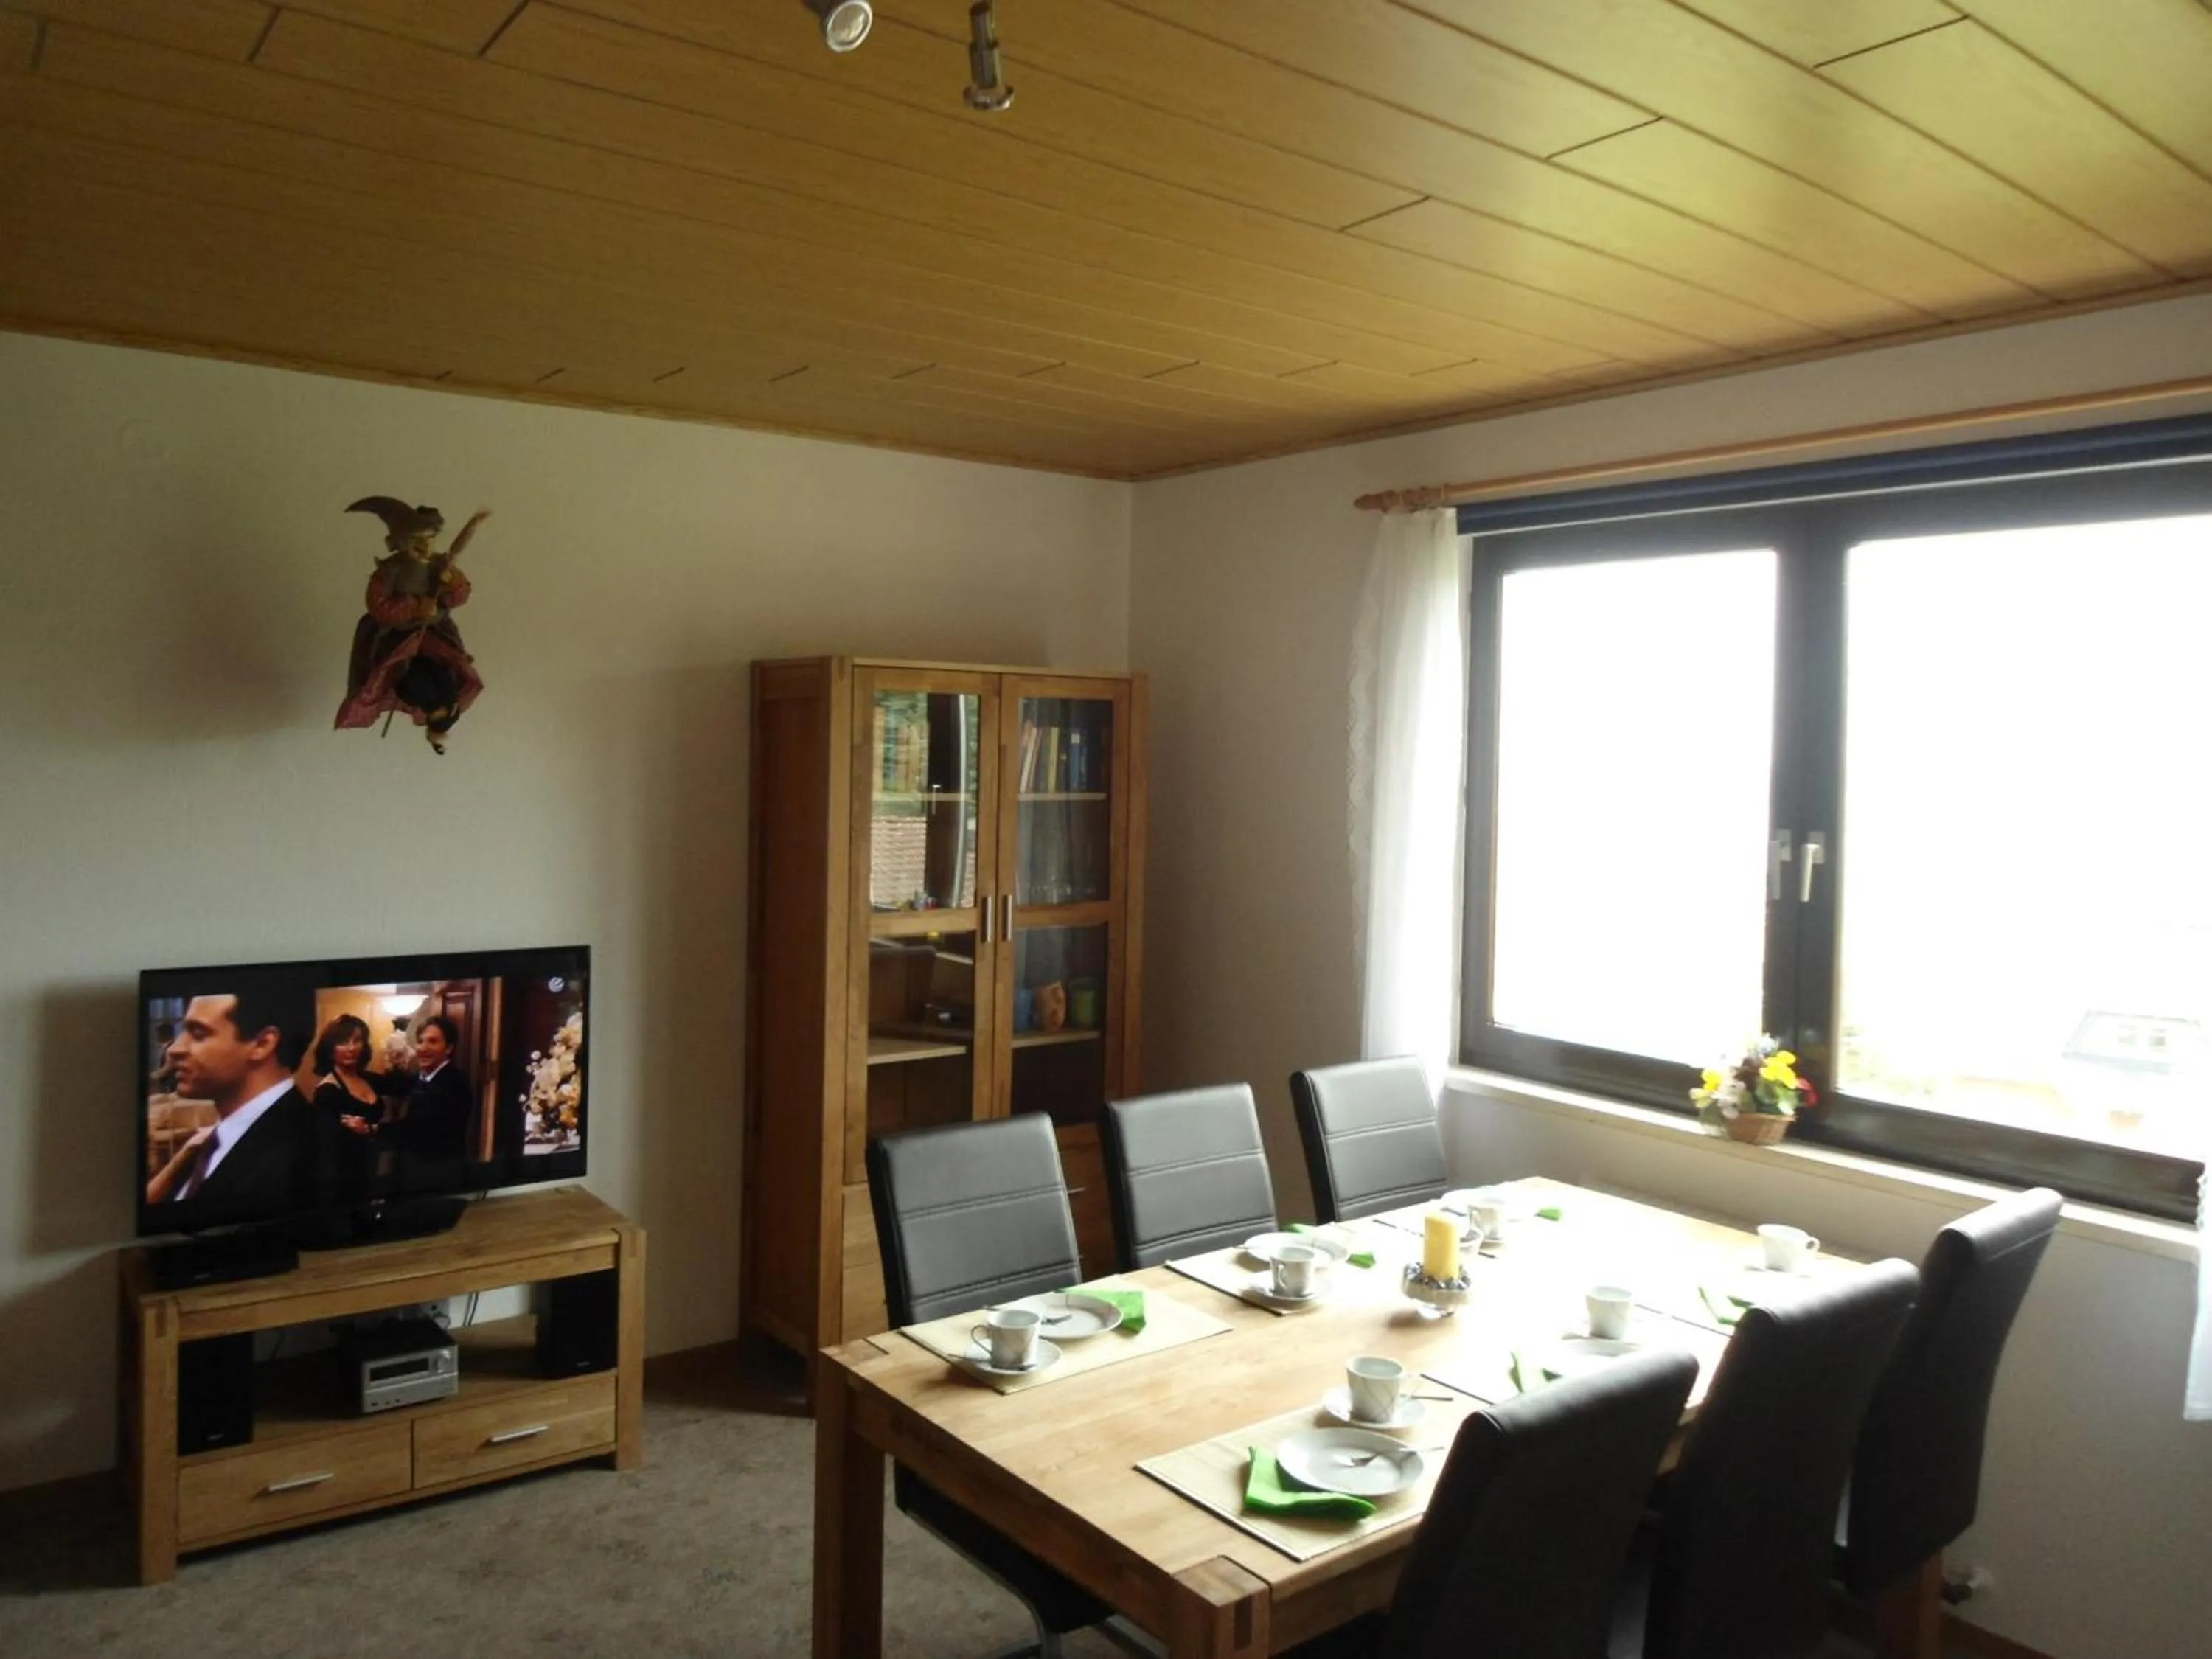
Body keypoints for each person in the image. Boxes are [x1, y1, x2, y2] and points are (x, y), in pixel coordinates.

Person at [145, 985, 335, 1208]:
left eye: (198, 1033)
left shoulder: (305, 1154)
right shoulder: (209, 1143)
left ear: (262, 1044)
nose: (174, 1049)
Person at [334, 498, 489, 754]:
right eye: (416, 538)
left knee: (449, 683)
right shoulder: (390, 572)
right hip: (398, 639)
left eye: (430, 538)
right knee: (412, 681)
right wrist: (415, 608)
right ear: (401, 539)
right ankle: (424, 703)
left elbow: (459, 597)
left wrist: (451, 582)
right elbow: (379, 607)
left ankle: (439, 727)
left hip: (435, 636)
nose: (424, 545)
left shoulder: (440, 566)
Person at [310, 1013, 388, 1192]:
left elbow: (405, 1084)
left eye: (357, 1040)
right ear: (331, 1049)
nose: (352, 1048)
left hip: (372, 1170)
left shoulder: (366, 1078)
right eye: (344, 1042)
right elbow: (326, 1152)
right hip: (344, 1180)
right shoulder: (327, 1091)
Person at [397, 1013, 475, 1186]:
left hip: (441, 1177)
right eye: (421, 1041)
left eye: (432, 1042)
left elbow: (417, 1128)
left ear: (448, 1048)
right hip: (414, 1173)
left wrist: (372, 1129)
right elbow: (390, 1084)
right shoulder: (421, 1077)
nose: (423, 1048)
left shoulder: (455, 1082)